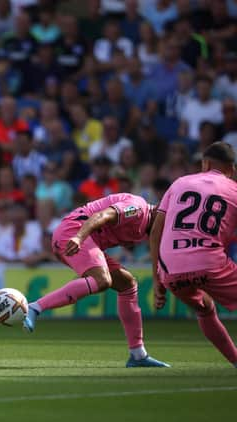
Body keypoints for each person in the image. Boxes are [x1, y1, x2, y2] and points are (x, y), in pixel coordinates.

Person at [24, 192, 170, 368]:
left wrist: (159, 283)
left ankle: (138, 354)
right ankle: (35, 307)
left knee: (127, 283)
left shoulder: (149, 230)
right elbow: (101, 215)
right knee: (102, 280)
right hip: (74, 232)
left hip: (86, 240)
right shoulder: (137, 208)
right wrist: (79, 237)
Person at [150, 142, 237, 367]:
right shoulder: (233, 190)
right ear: (232, 169)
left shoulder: (179, 183)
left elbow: (155, 233)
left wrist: (156, 277)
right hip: (210, 263)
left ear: (204, 164)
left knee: (205, 308)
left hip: (171, 270)